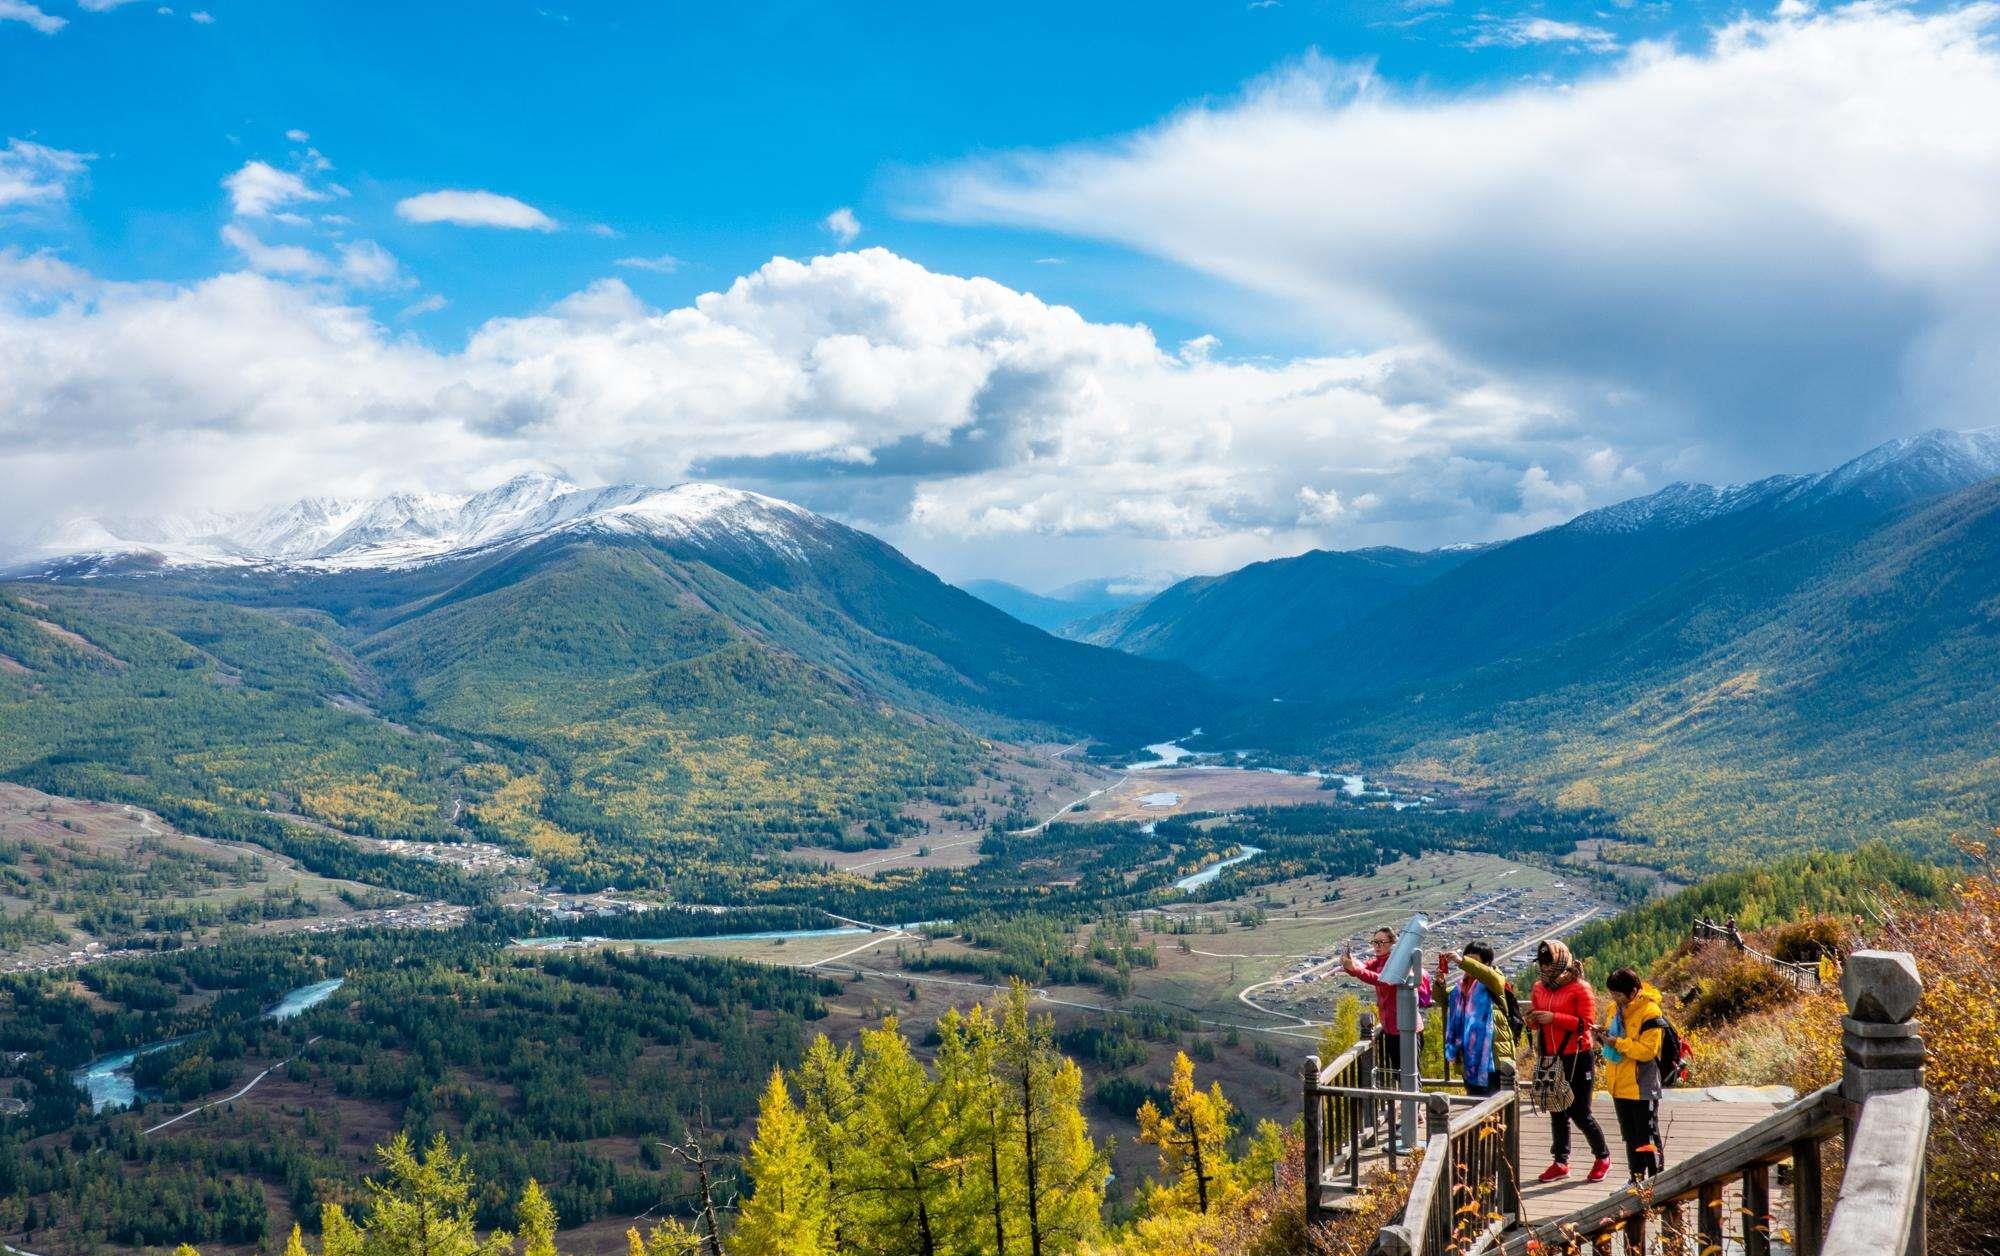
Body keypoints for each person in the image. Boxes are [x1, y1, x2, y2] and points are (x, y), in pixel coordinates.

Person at [1528, 939, 1611, 1183]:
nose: (1544, 968)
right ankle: (1560, 1161)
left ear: (1561, 961)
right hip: (1549, 1054)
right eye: (1542, 964)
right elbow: (1537, 1021)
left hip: (1577, 1054)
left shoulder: (1580, 988)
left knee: (1580, 1112)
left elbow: (1587, 1025)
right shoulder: (1539, 988)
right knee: (1556, 1110)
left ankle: (1602, 1156)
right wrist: (1534, 1020)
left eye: (1548, 963)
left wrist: (1554, 1017)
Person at [1340, 926, 1432, 1088]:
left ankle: (1415, 1111)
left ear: (1392, 944)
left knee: (1411, 1073)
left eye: (1382, 942)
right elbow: (1364, 970)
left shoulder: (1399, 964)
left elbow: (1383, 980)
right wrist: (1351, 966)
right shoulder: (1379, 961)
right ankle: (1411, 1109)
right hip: (1391, 1029)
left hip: (1408, 1029)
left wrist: (1354, 969)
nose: (1377, 946)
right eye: (1375, 942)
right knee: (1400, 1073)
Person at [1600, 967, 1666, 1181]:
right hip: (1619, 1084)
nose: (1616, 999)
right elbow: (1611, 1034)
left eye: (1619, 994)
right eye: (1613, 994)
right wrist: (1602, 1035)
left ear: (1634, 991)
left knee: (1646, 1136)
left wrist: (1617, 1043)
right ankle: (1636, 1179)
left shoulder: (1650, 1012)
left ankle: (1656, 1181)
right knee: (1629, 1137)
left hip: (1641, 1085)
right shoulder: (1613, 1009)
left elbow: (1647, 1051)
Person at [1436, 943, 1516, 1097]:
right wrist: (1439, 983)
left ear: (1486, 964)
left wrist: (1461, 962)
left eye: (1474, 960)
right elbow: (1442, 999)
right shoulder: (1461, 987)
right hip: (1470, 1058)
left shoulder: (1495, 979)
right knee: (1475, 1103)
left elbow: (1491, 978)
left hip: (1494, 1056)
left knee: (1494, 1105)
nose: (1468, 963)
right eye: (1468, 958)